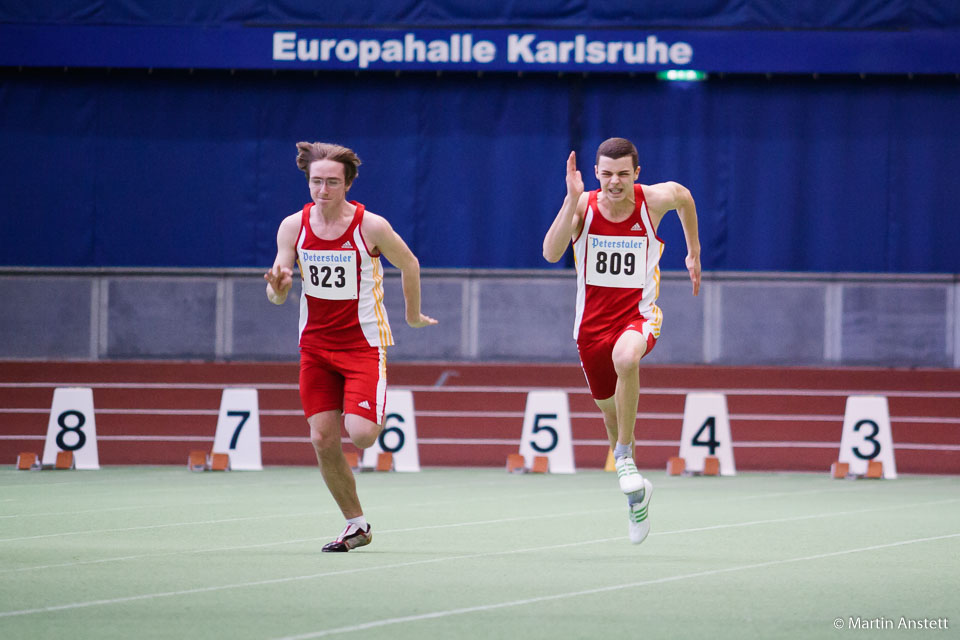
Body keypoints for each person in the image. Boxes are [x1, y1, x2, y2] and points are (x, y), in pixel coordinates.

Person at [265, 141, 437, 552]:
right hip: (315, 347)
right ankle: (356, 525)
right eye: (316, 181)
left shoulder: (370, 226)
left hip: (363, 344)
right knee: (322, 439)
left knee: (361, 436)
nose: (322, 190)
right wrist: (279, 289)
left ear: (347, 184)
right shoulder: (293, 227)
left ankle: (370, 399)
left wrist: (413, 315)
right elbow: (277, 292)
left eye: (331, 182)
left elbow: (409, 263)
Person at [542, 137, 701, 545]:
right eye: (608, 174)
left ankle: (625, 456)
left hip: (637, 318)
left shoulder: (653, 201)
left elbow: (685, 197)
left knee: (627, 358)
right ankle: (635, 496)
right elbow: (550, 252)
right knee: (610, 415)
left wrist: (693, 252)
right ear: (597, 173)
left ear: (637, 174)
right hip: (590, 330)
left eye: (623, 175)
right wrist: (570, 199)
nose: (615, 182)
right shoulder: (583, 206)